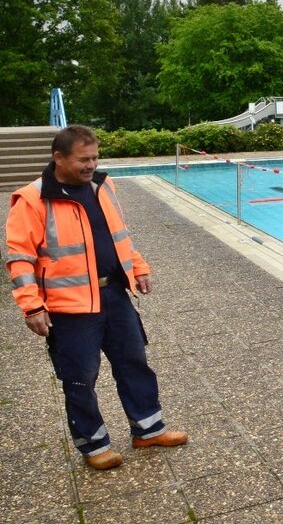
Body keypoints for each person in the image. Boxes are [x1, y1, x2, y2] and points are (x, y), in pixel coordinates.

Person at [5, 125, 188, 471]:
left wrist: (139, 268)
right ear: (58, 158)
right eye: (83, 159)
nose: (91, 165)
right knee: (80, 378)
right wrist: (31, 305)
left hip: (115, 295)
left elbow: (120, 237)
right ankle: (93, 445)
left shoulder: (103, 186)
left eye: (94, 158)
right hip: (69, 308)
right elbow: (21, 259)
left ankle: (148, 429)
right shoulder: (32, 199)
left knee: (134, 363)